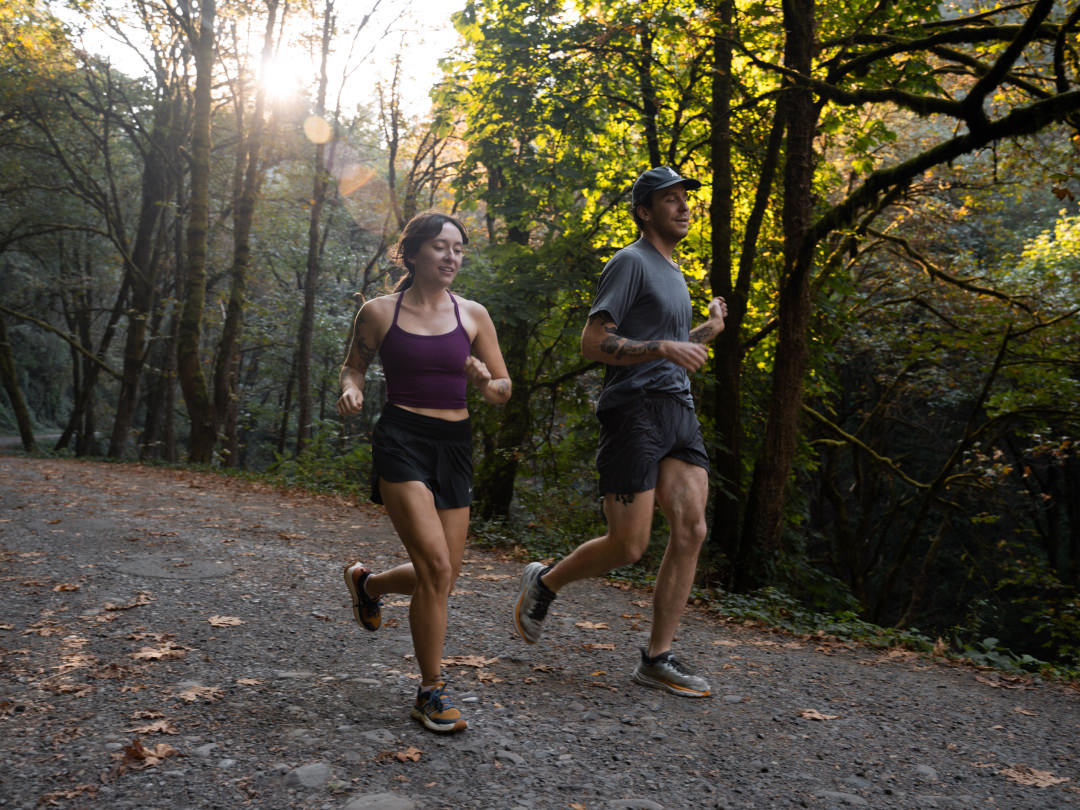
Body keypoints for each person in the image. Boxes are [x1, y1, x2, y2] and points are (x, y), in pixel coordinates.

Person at [514, 166, 727, 698]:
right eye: (669, 199)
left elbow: (669, 345)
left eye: (685, 199)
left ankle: (657, 658)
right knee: (629, 545)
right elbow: (594, 342)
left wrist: (707, 331)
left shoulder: (675, 273)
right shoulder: (630, 262)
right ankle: (545, 583)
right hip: (633, 411)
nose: (682, 207)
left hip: (677, 409)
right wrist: (661, 348)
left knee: (692, 530)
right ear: (643, 211)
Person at [338, 211, 511, 733]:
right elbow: (355, 364)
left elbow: (504, 390)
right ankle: (430, 691)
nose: (451, 256)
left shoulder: (474, 315)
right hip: (402, 440)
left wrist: (485, 384)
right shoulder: (378, 312)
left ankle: (370, 586)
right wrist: (353, 388)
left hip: (454, 446)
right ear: (412, 253)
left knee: (444, 576)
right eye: (440, 246)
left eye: (458, 248)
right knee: (436, 567)